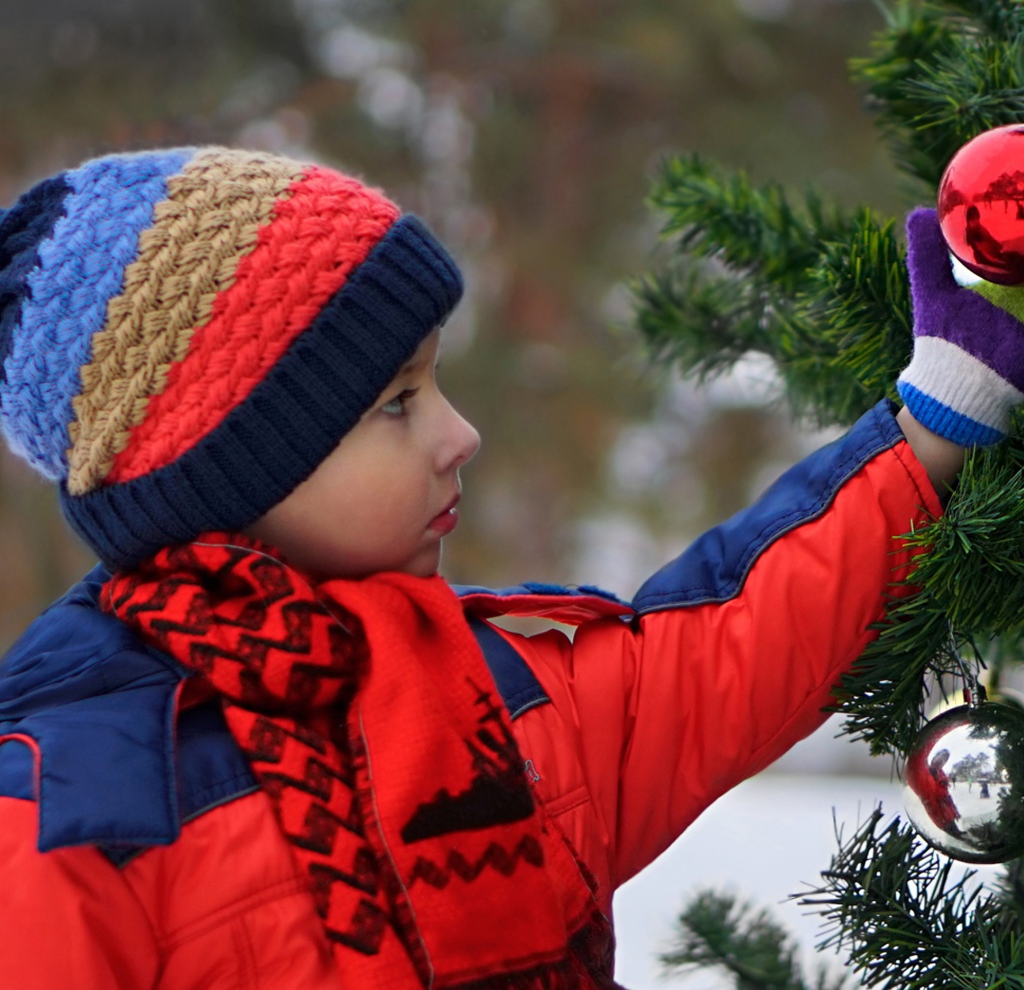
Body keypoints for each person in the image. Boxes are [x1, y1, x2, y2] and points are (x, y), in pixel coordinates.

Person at [0, 146, 1014, 990]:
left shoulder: (487, 692)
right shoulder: (69, 808)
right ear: (234, 468)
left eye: (433, 380)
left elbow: (724, 651)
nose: (461, 434)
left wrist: (935, 416)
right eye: (395, 403)